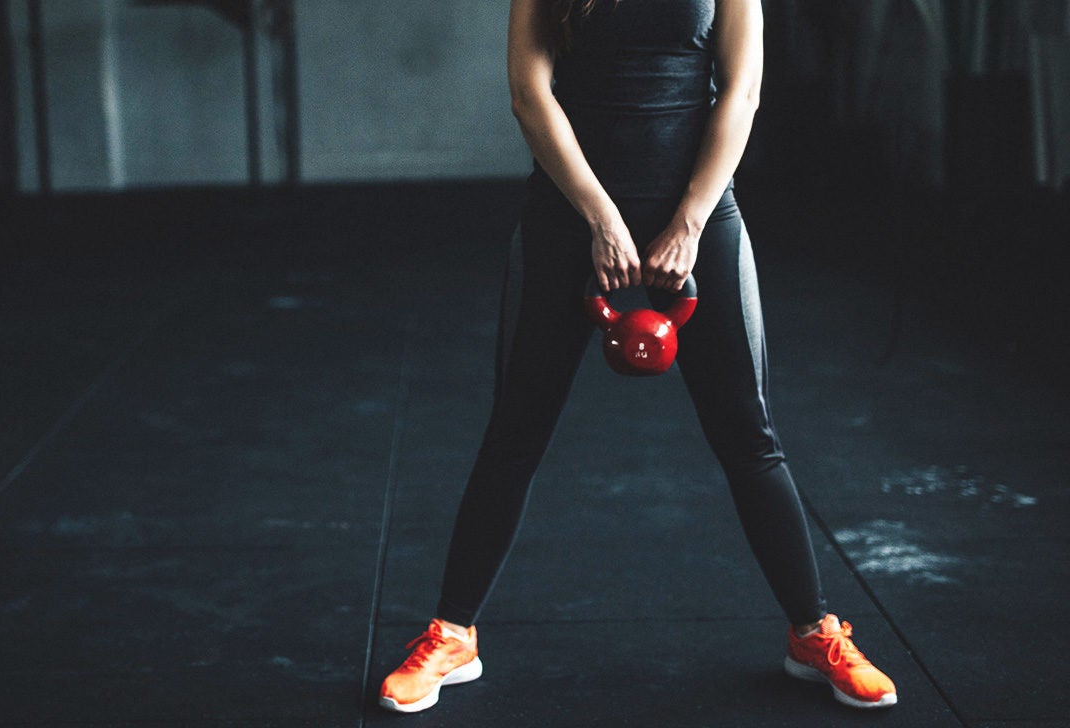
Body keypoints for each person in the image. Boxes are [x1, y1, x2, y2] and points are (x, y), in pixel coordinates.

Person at [378, 0, 897, 714]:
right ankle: (453, 634)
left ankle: (813, 633)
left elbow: (741, 90)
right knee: (515, 432)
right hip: (569, 217)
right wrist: (600, 220)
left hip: (700, 216)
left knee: (750, 436)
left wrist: (687, 223)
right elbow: (531, 95)